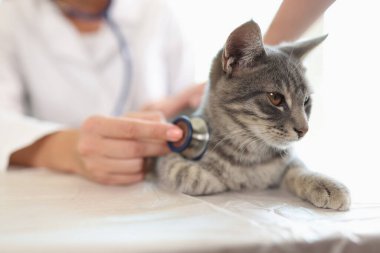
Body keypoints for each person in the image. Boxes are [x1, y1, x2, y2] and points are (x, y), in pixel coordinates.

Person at [0, 0, 334, 186]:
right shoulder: (11, 15)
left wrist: (178, 106)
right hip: (47, 187)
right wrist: (69, 149)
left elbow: (190, 101)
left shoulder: (154, 11)